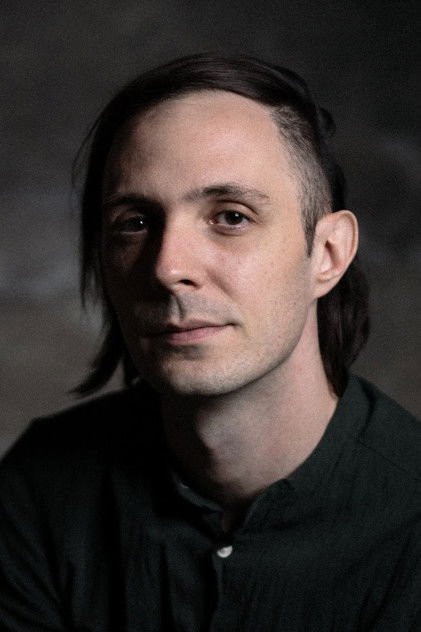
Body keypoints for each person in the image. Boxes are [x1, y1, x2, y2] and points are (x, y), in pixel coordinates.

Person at [1, 53, 420, 631]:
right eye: (135, 222)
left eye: (231, 217)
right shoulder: (39, 491)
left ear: (327, 255)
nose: (167, 267)